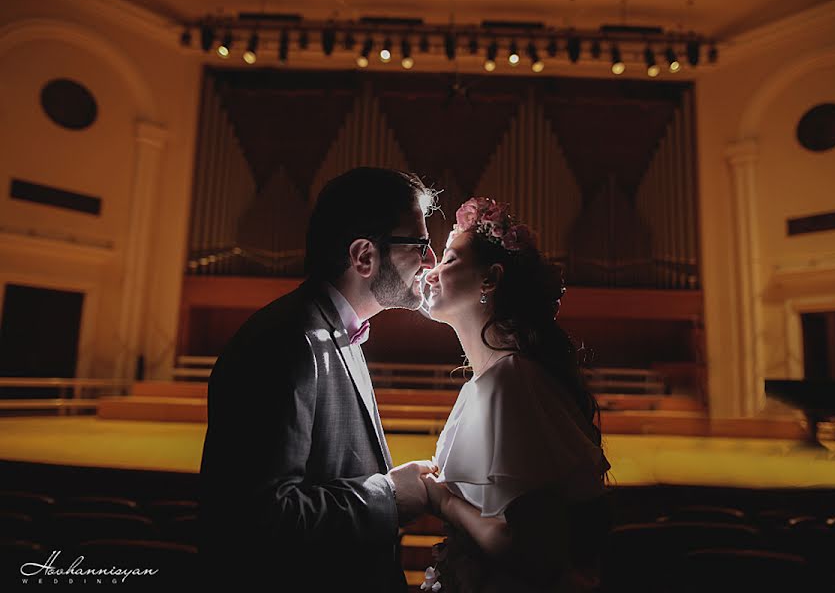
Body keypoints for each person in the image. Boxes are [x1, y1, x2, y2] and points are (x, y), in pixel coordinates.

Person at [199, 167, 439, 591]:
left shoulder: (334, 330)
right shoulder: (286, 342)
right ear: (364, 256)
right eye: (420, 244)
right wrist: (388, 496)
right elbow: (258, 520)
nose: (431, 260)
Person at [419, 197, 612, 592]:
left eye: (450, 260)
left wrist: (443, 502)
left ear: (489, 279)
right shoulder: (490, 380)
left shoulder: (513, 380)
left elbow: (529, 549)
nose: (431, 273)